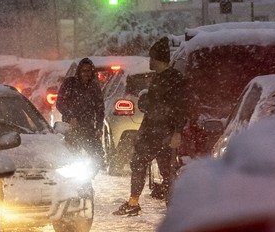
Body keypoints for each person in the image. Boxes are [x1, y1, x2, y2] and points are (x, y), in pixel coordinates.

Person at [113, 37, 187, 216]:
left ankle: (172, 208)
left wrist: (177, 131)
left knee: (165, 170)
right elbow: (153, 107)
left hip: (164, 132)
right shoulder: (159, 78)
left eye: (151, 58)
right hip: (153, 132)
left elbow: (180, 107)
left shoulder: (173, 79)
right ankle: (137, 203)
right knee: (146, 165)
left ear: (158, 59)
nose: (149, 61)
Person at [56, 57, 105, 167]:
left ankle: (88, 179)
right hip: (71, 129)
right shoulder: (70, 83)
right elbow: (60, 103)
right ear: (79, 71)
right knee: (72, 157)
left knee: (99, 158)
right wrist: (71, 116)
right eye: (84, 71)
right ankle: (74, 181)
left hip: (88, 128)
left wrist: (99, 127)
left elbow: (100, 109)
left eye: (89, 71)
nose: (86, 74)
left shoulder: (94, 87)